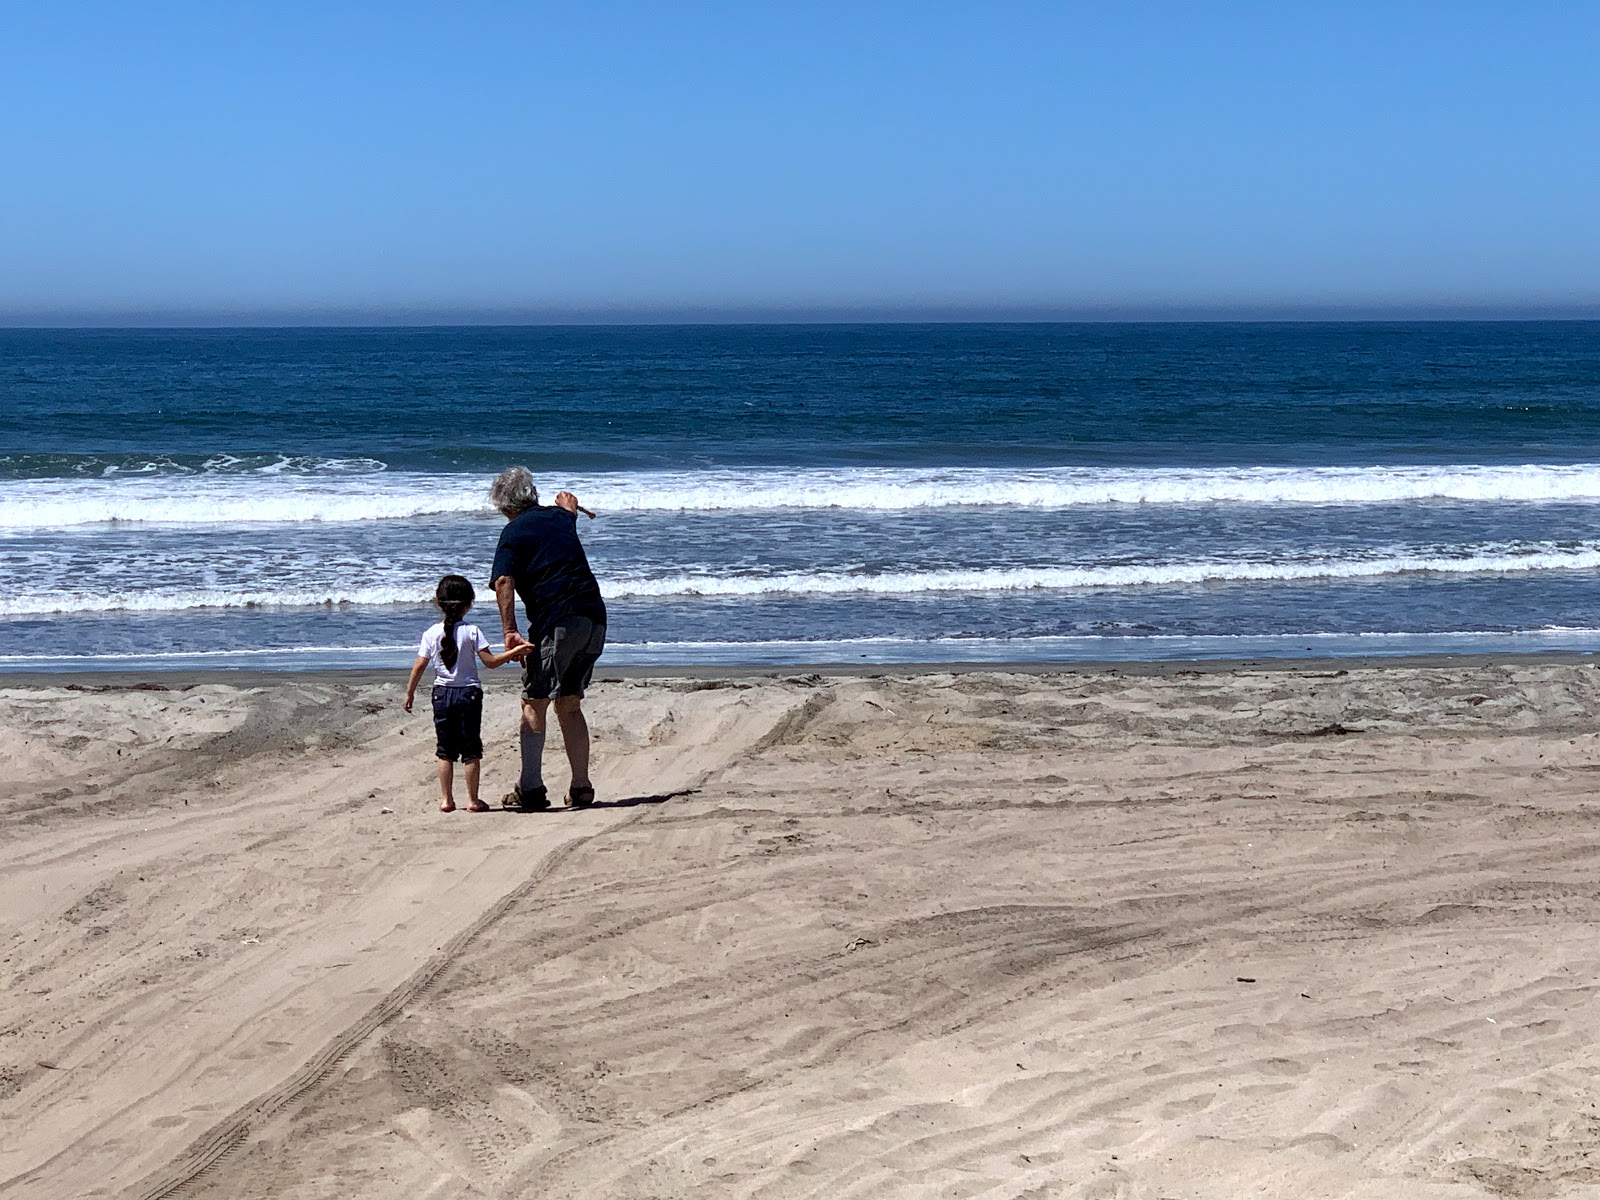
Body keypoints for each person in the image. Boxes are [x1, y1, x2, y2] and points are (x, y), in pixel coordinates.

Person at [487, 466, 607, 811]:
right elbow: (569, 508)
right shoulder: (559, 517)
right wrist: (569, 503)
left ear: (504, 506)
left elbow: (504, 582)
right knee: (569, 702)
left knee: (534, 701)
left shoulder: (513, 533)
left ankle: (531, 789)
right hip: (594, 617)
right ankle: (581, 787)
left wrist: (509, 631)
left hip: (558, 621)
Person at [403, 574, 529, 813]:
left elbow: (419, 665)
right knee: (471, 749)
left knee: (445, 750)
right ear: (469, 604)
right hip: (469, 694)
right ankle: (472, 800)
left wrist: (410, 693)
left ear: (439, 602)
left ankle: (446, 800)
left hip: (442, 693)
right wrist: (514, 653)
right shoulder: (472, 631)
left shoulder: (431, 633)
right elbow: (490, 662)